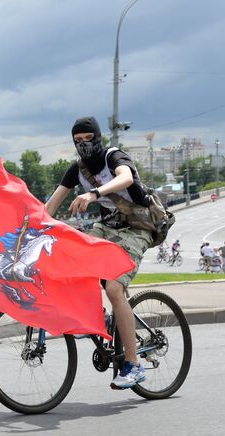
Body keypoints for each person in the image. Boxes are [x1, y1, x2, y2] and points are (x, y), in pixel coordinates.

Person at [45, 116, 153, 389]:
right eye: (77, 141)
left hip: (136, 227)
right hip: (106, 227)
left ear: (97, 137)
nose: (83, 145)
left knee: (115, 289)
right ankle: (97, 317)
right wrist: (24, 228)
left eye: (88, 139)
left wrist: (93, 194)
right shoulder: (76, 169)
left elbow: (126, 178)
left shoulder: (113, 156)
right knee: (71, 262)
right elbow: (49, 208)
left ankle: (133, 365)